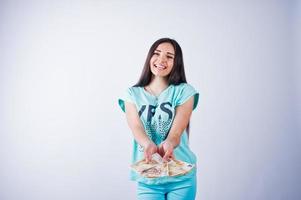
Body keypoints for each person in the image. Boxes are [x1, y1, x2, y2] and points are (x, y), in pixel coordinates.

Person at [118, 38, 199, 200]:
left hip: (181, 177)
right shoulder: (132, 94)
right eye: (156, 54)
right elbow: (136, 128)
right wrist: (147, 144)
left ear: (177, 63)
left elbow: (177, 130)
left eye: (169, 56)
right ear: (149, 57)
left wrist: (169, 143)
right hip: (149, 178)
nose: (161, 60)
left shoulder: (185, 92)